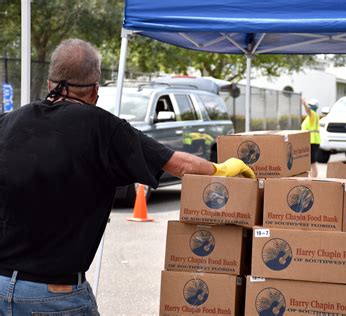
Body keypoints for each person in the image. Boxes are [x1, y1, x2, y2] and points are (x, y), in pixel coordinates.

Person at [0, 39, 254, 315]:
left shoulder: (9, 122)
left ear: (50, 83)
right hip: (54, 296)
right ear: (96, 90)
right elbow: (178, 165)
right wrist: (222, 169)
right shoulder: (103, 127)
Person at [301, 97, 321, 177]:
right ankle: (313, 179)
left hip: (312, 141)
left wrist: (304, 103)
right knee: (312, 162)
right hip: (313, 141)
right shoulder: (314, 115)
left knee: (312, 163)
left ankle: (313, 180)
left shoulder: (312, 114)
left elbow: (307, 110)